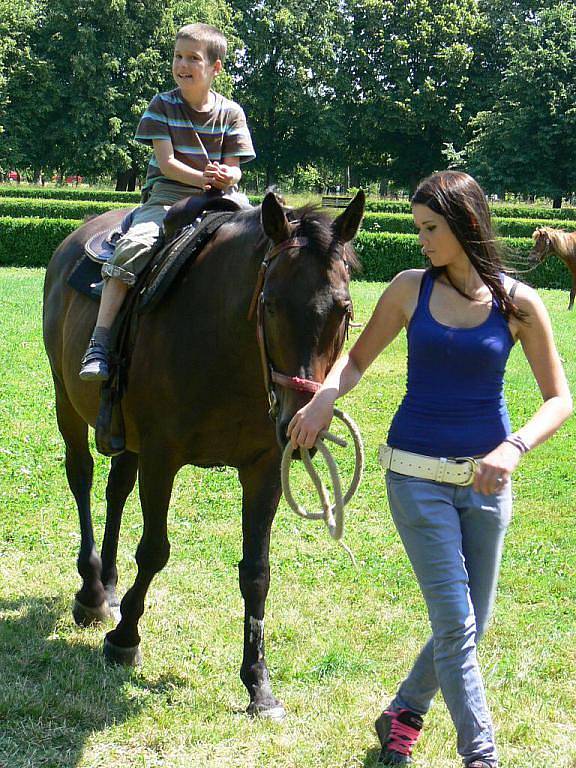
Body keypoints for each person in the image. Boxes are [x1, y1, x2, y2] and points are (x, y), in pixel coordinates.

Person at [287, 171, 572, 767]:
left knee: (471, 622)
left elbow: (558, 399)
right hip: (415, 475)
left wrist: (513, 448)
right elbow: (356, 360)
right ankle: (481, 754)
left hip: (488, 481)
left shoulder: (518, 303)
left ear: (466, 225)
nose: (421, 241)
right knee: (456, 623)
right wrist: (324, 396)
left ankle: (405, 710)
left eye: (430, 228)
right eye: (419, 228)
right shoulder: (409, 289)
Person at [79, 22, 255, 381]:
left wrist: (226, 178)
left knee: (263, 240)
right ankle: (99, 342)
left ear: (215, 68)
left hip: (222, 198)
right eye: (177, 56)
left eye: (193, 58)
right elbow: (166, 164)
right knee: (134, 245)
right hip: (167, 197)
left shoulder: (232, 112)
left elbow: (235, 169)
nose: (182, 65)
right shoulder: (162, 104)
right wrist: (205, 178)